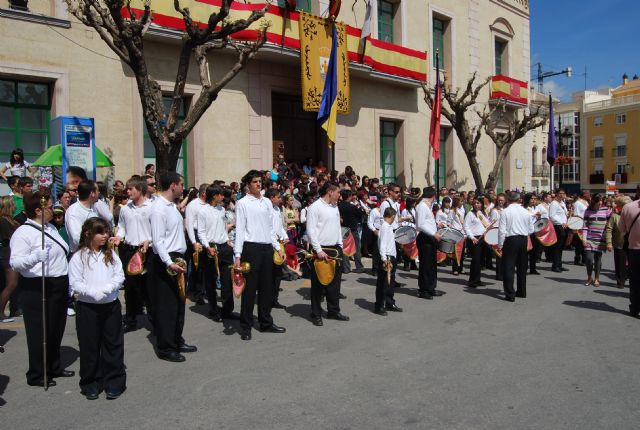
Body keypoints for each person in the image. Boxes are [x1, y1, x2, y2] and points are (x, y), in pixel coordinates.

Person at [10, 191, 73, 387]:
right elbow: (16, 263)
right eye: (48, 208)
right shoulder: (24, 232)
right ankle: (37, 373)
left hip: (58, 283)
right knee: (39, 332)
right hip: (38, 286)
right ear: (38, 210)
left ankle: (53, 366)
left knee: (56, 327)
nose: (52, 211)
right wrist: (35, 257)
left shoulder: (51, 228)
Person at [69, 217, 126, 400]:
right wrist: (92, 292)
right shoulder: (79, 256)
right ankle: (90, 382)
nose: (105, 236)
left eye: (107, 232)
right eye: (100, 232)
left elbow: (119, 276)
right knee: (89, 345)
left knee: (113, 344)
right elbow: (75, 282)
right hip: (88, 307)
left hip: (110, 306)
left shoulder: (110, 254)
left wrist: (107, 289)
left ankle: (114, 382)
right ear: (88, 234)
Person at [147, 172, 196, 362]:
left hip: (177, 257)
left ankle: (176, 339)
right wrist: (169, 262)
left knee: (178, 303)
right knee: (166, 306)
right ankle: (166, 347)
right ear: (173, 185)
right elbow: (158, 241)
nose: (183, 187)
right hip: (165, 260)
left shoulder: (170, 206)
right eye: (181, 184)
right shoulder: (159, 208)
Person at [234, 170, 285, 341]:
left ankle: (266, 322)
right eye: (254, 181)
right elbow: (240, 230)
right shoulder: (242, 203)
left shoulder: (267, 203)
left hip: (266, 248)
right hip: (251, 248)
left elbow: (270, 228)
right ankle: (245, 326)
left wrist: (277, 247)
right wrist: (238, 254)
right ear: (247, 185)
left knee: (266, 288)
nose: (258, 184)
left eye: (259, 181)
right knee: (249, 290)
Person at [112, 177, 152, 333]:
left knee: (148, 287)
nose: (127, 191)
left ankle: (153, 319)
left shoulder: (151, 207)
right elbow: (121, 226)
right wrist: (119, 236)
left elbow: (157, 230)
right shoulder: (125, 208)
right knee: (130, 287)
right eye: (127, 189)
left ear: (140, 190)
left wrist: (149, 241)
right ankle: (130, 319)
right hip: (129, 250)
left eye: (130, 189)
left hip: (146, 251)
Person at [306, 181, 348, 326]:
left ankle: (333, 311)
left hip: (335, 248)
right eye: (338, 192)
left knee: (335, 283)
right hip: (320, 249)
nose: (339, 195)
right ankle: (316, 313)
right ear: (330, 191)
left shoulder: (335, 206)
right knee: (318, 284)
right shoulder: (314, 207)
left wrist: (340, 245)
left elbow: (337, 227)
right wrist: (318, 250)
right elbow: (311, 230)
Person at [197, 184, 235, 322]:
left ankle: (227, 310)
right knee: (211, 280)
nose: (223, 197)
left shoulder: (222, 210)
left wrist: (227, 240)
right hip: (211, 248)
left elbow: (224, 226)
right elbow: (201, 232)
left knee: (227, 280)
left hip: (224, 246)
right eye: (220, 194)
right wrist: (207, 246)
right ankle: (213, 310)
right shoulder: (203, 211)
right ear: (214, 196)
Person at [498, 191, 534, 302]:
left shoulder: (505, 212)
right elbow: (531, 229)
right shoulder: (526, 212)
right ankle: (522, 291)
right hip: (523, 239)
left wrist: (500, 244)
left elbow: (502, 230)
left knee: (509, 267)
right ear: (519, 199)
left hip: (510, 240)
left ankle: (510, 294)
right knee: (522, 267)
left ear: (508, 200)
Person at [65, 180, 113, 252]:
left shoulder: (93, 207)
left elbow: (108, 217)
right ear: (92, 194)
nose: (99, 193)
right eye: (97, 191)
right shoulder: (74, 212)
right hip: (82, 254)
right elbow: (77, 238)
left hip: (96, 252)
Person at [415, 187, 443, 299]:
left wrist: (436, 225)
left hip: (430, 238)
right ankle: (424, 290)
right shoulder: (421, 206)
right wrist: (434, 233)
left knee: (431, 265)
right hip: (425, 238)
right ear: (433, 196)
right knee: (425, 266)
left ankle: (431, 288)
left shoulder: (427, 206)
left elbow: (427, 223)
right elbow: (420, 225)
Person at [375, 207, 402, 315]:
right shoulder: (385, 227)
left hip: (392, 256)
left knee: (390, 282)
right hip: (387, 257)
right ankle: (379, 306)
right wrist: (384, 259)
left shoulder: (389, 226)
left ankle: (390, 302)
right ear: (392, 216)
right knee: (383, 283)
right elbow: (382, 244)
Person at [184, 183, 208, 304]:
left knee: (205, 266)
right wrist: (194, 242)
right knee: (197, 266)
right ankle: (196, 293)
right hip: (195, 235)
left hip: (206, 236)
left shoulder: (209, 205)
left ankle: (203, 290)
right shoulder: (193, 205)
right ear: (204, 193)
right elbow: (189, 225)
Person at [581, 194, 611, 287]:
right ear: (594, 201)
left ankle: (597, 278)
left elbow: (612, 222)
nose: (600, 203)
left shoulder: (606, 210)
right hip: (589, 238)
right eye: (598, 201)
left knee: (598, 259)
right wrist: (584, 238)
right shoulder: (587, 211)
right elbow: (585, 225)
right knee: (589, 259)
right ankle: (589, 277)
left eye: (601, 200)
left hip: (600, 239)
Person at [618, 197, 640, 318]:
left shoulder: (628, 207)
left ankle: (635, 308)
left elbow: (622, 229)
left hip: (635, 250)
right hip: (634, 249)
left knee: (635, 280)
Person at [266, 188, 287, 309]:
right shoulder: (267, 210)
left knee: (278, 274)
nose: (280, 199)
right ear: (272, 197)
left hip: (279, 243)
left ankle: (274, 299)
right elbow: (270, 231)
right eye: (278, 197)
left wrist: (285, 236)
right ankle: (267, 299)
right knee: (270, 274)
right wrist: (277, 246)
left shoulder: (277, 209)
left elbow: (279, 227)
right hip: (271, 244)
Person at [0, 196, 20, 322]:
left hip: (12, 254)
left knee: (13, 283)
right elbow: (10, 238)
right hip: (6, 255)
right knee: (11, 283)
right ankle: (1, 312)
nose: (15, 206)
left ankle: (14, 309)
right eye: (12, 204)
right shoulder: (3, 221)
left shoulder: (10, 220)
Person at [606, 195, 631, 289]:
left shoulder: (633, 215)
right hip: (619, 243)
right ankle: (620, 282)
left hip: (633, 243)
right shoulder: (615, 216)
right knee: (620, 264)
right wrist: (609, 243)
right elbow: (609, 229)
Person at [464, 197, 489, 288]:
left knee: (480, 261)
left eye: (478, 203)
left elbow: (486, 225)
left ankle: (478, 280)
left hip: (483, 238)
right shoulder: (470, 214)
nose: (476, 205)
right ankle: (472, 281)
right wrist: (472, 237)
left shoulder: (483, 213)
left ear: (482, 204)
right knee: (475, 260)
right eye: (474, 203)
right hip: (474, 239)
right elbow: (466, 227)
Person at [338, 189, 365, 274]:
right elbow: (360, 214)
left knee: (345, 249)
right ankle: (359, 267)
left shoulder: (339, 206)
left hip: (343, 229)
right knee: (356, 248)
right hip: (353, 229)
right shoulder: (353, 207)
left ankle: (346, 268)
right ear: (349, 197)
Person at [549, 189, 569, 273]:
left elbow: (564, 214)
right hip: (558, 226)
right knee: (557, 247)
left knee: (561, 247)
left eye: (563, 193)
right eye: (560, 193)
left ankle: (559, 264)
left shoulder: (562, 203)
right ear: (557, 194)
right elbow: (552, 216)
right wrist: (561, 223)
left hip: (564, 226)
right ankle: (555, 265)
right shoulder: (554, 203)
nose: (562, 195)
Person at [572, 190, 590, 266]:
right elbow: (576, 214)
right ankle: (577, 258)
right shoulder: (577, 203)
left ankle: (584, 259)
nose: (589, 194)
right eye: (587, 193)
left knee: (584, 242)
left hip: (586, 224)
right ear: (583, 194)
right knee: (579, 243)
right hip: (580, 225)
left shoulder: (586, 202)